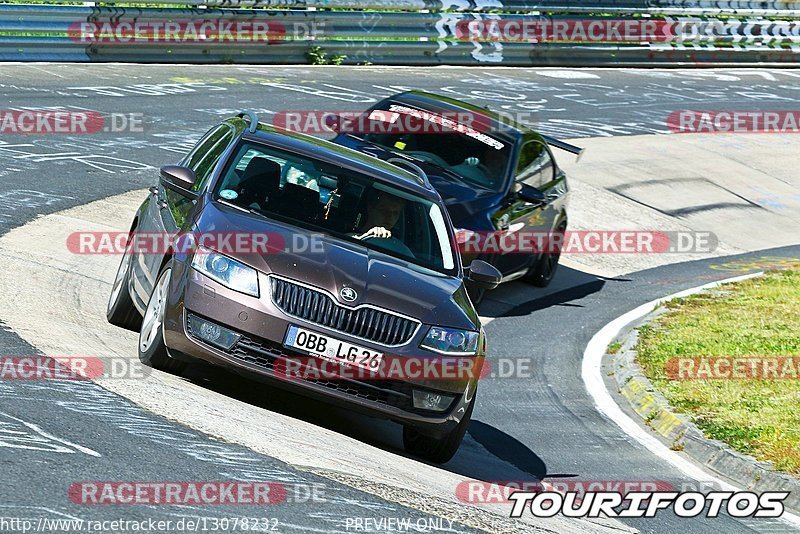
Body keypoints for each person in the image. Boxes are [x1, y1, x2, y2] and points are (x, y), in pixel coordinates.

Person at [352, 188, 414, 257]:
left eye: (395, 213)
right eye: (384, 210)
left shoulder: (401, 250)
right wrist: (366, 236)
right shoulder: (350, 237)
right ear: (370, 208)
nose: (390, 216)